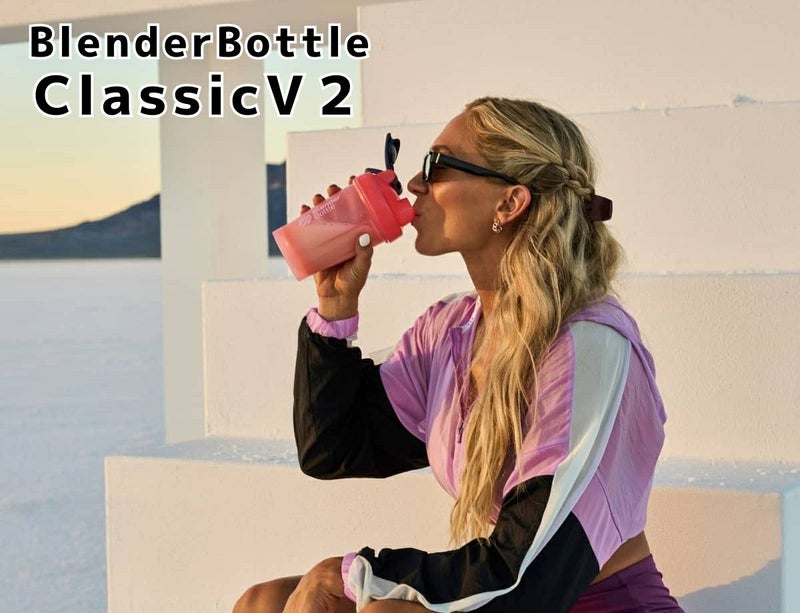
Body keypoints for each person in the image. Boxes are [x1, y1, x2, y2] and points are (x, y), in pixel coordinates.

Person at [234, 97, 684, 613]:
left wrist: (358, 573)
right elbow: (333, 447)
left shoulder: (589, 348)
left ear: (509, 203)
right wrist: (335, 309)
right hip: (512, 596)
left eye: (437, 165)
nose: (414, 184)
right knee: (264, 602)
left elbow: (530, 578)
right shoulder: (452, 332)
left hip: (586, 601)